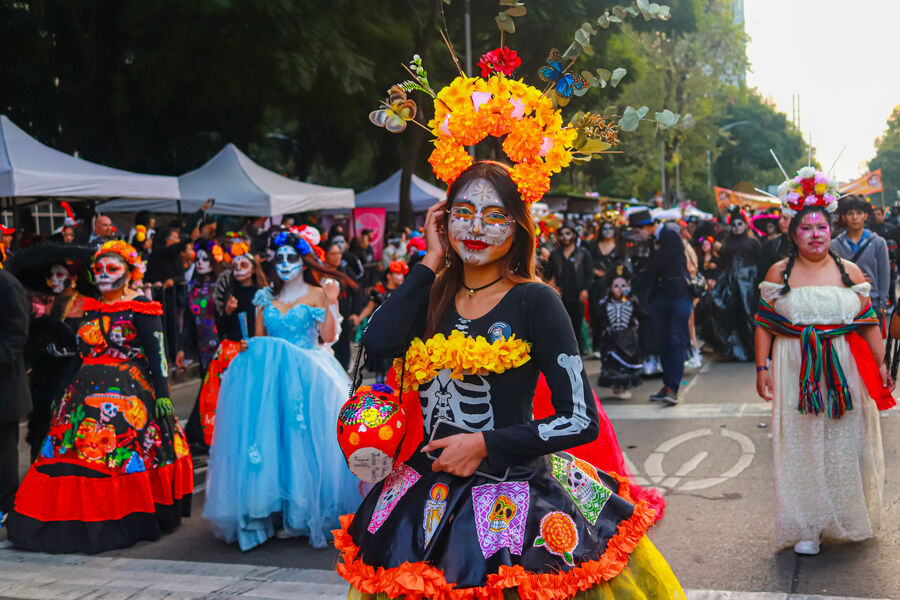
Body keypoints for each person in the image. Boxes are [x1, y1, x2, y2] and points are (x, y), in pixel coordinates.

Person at [336, 161, 683, 599]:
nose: (476, 227)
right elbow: (377, 341)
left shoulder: (536, 301)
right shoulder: (432, 294)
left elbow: (579, 419)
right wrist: (429, 260)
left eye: (495, 215)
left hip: (517, 492)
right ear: (443, 220)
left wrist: (485, 444)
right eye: (463, 212)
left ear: (519, 226)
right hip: (423, 496)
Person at [6, 241, 192, 552]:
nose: (104, 274)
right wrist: (62, 390)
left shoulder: (142, 307)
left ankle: (120, 516)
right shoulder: (91, 308)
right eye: (100, 269)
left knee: (112, 456)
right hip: (81, 395)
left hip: (128, 396)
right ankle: (66, 517)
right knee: (66, 452)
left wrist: (162, 394)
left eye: (112, 268)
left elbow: (157, 352)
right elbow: (80, 356)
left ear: (130, 273)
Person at [755, 168, 893, 555]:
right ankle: (806, 526)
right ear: (792, 234)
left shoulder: (849, 273)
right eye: (806, 228)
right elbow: (764, 324)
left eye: (821, 227)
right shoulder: (778, 273)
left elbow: (868, 325)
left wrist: (883, 366)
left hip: (843, 368)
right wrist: (761, 368)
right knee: (800, 444)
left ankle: (843, 517)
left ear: (829, 231)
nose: (815, 234)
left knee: (844, 441)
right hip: (793, 367)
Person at [203, 227, 360, 551]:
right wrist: (248, 347)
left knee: (303, 440)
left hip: (308, 373)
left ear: (302, 262)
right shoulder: (265, 297)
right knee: (273, 440)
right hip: (271, 376)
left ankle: (301, 511)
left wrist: (331, 303)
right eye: (281, 258)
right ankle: (270, 510)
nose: (286, 263)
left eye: (292, 257)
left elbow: (328, 337)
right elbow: (260, 340)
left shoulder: (318, 293)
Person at [194, 243, 267, 448]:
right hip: (230, 351)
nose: (238, 270)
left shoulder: (261, 294)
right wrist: (226, 311)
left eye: (243, 265)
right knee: (225, 398)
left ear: (253, 268)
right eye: (235, 266)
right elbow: (222, 327)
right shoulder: (230, 293)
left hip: (253, 349)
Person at [630, 208, 691, 405]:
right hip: (660, 296)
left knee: (676, 340)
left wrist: (631, 288)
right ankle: (667, 384)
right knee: (663, 342)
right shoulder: (651, 241)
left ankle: (673, 387)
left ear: (646, 226)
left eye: (637, 231)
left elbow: (655, 267)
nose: (636, 235)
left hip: (679, 295)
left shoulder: (669, 236)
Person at [709, 207, 761, 361]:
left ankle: (754, 349)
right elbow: (722, 264)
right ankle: (737, 350)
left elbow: (760, 262)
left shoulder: (753, 242)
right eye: (734, 225)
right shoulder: (727, 243)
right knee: (732, 315)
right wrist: (716, 280)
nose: (737, 227)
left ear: (745, 225)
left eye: (740, 224)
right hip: (731, 284)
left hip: (748, 284)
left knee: (749, 315)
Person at [0, 267, 31, 526]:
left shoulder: (8, 285)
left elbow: (17, 334)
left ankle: (5, 506)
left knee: (4, 450)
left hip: (4, 386)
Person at [350, 259, 409, 383]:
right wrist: (359, 318)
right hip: (382, 332)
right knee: (381, 365)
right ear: (389, 275)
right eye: (398, 273)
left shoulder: (405, 289)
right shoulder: (380, 289)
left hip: (399, 333)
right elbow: (370, 307)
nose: (401, 276)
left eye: (402, 273)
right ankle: (380, 389)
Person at [832, 196, 891, 318]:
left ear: (866, 216)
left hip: (872, 303)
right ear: (844, 217)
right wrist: (851, 278)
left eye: (859, 213)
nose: (854, 217)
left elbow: (884, 275)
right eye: (850, 213)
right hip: (844, 304)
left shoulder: (878, 242)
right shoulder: (835, 245)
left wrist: (882, 304)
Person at [587, 212, 630, 359]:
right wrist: (594, 270)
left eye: (610, 229)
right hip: (596, 285)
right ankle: (597, 346)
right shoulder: (593, 246)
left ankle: (614, 345)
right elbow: (588, 263)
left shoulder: (619, 246)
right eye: (604, 229)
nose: (607, 232)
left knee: (613, 315)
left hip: (613, 286)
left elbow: (622, 266)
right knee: (597, 315)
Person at [548, 221, 593, 355]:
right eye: (562, 234)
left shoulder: (583, 253)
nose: (564, 237)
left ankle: (577, 354)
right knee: (562, 326)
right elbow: (549, 274)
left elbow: (589, 274)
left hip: (577, 295)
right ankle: (565, 352)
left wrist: (585, 290)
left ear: (574, 235)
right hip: (561, 296)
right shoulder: (555, 254)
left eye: (568, 233)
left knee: (577, 326)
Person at [595, 276, 643, 398]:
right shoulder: (604, 303)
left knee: (626, 364)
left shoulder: (632, 301)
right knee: (612, 364)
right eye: (616, 286)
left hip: (628, 338)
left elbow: (639, 316)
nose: (620, 289)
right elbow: (600, 321)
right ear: (610, 288)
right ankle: (616, 384)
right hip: (611, 338)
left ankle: (625, 386)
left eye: (623, 285)